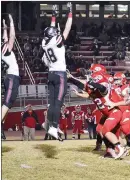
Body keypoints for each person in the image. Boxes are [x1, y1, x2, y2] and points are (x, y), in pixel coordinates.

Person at [41, 2, 72, 140]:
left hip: (51, 74)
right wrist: (70, 13)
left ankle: (50, 125)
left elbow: (52, 29)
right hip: (60, 75)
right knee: (57, 103)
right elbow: (67, 28)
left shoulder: (44, 42)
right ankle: (53, 126)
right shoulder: (56, 40)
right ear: (54, 35)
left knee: (52, 103)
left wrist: (53, 16)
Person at [1, 14, 20, 141]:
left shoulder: (3, 49)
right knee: (7, 102)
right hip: (12, 77)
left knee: (9, 102)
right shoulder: (5, 49)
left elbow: (6, 37)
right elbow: (11, 37)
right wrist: (12, 23)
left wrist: (4, 27)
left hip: (10, 77)